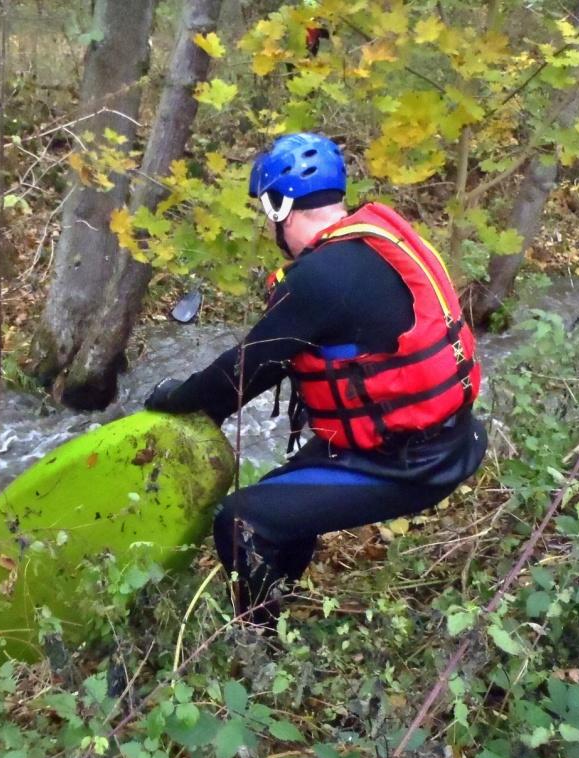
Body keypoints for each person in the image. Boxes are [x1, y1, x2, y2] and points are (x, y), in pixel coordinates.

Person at [145, 132, 488, 628]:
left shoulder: (320, 279)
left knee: (241, 521)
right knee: (280, 495)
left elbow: (239, 376)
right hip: (451, 439)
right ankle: (280, 597)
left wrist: (174, 400)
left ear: (280, 206)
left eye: (269, 215)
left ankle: (259, 641)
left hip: (406, 468)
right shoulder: (377, 241)